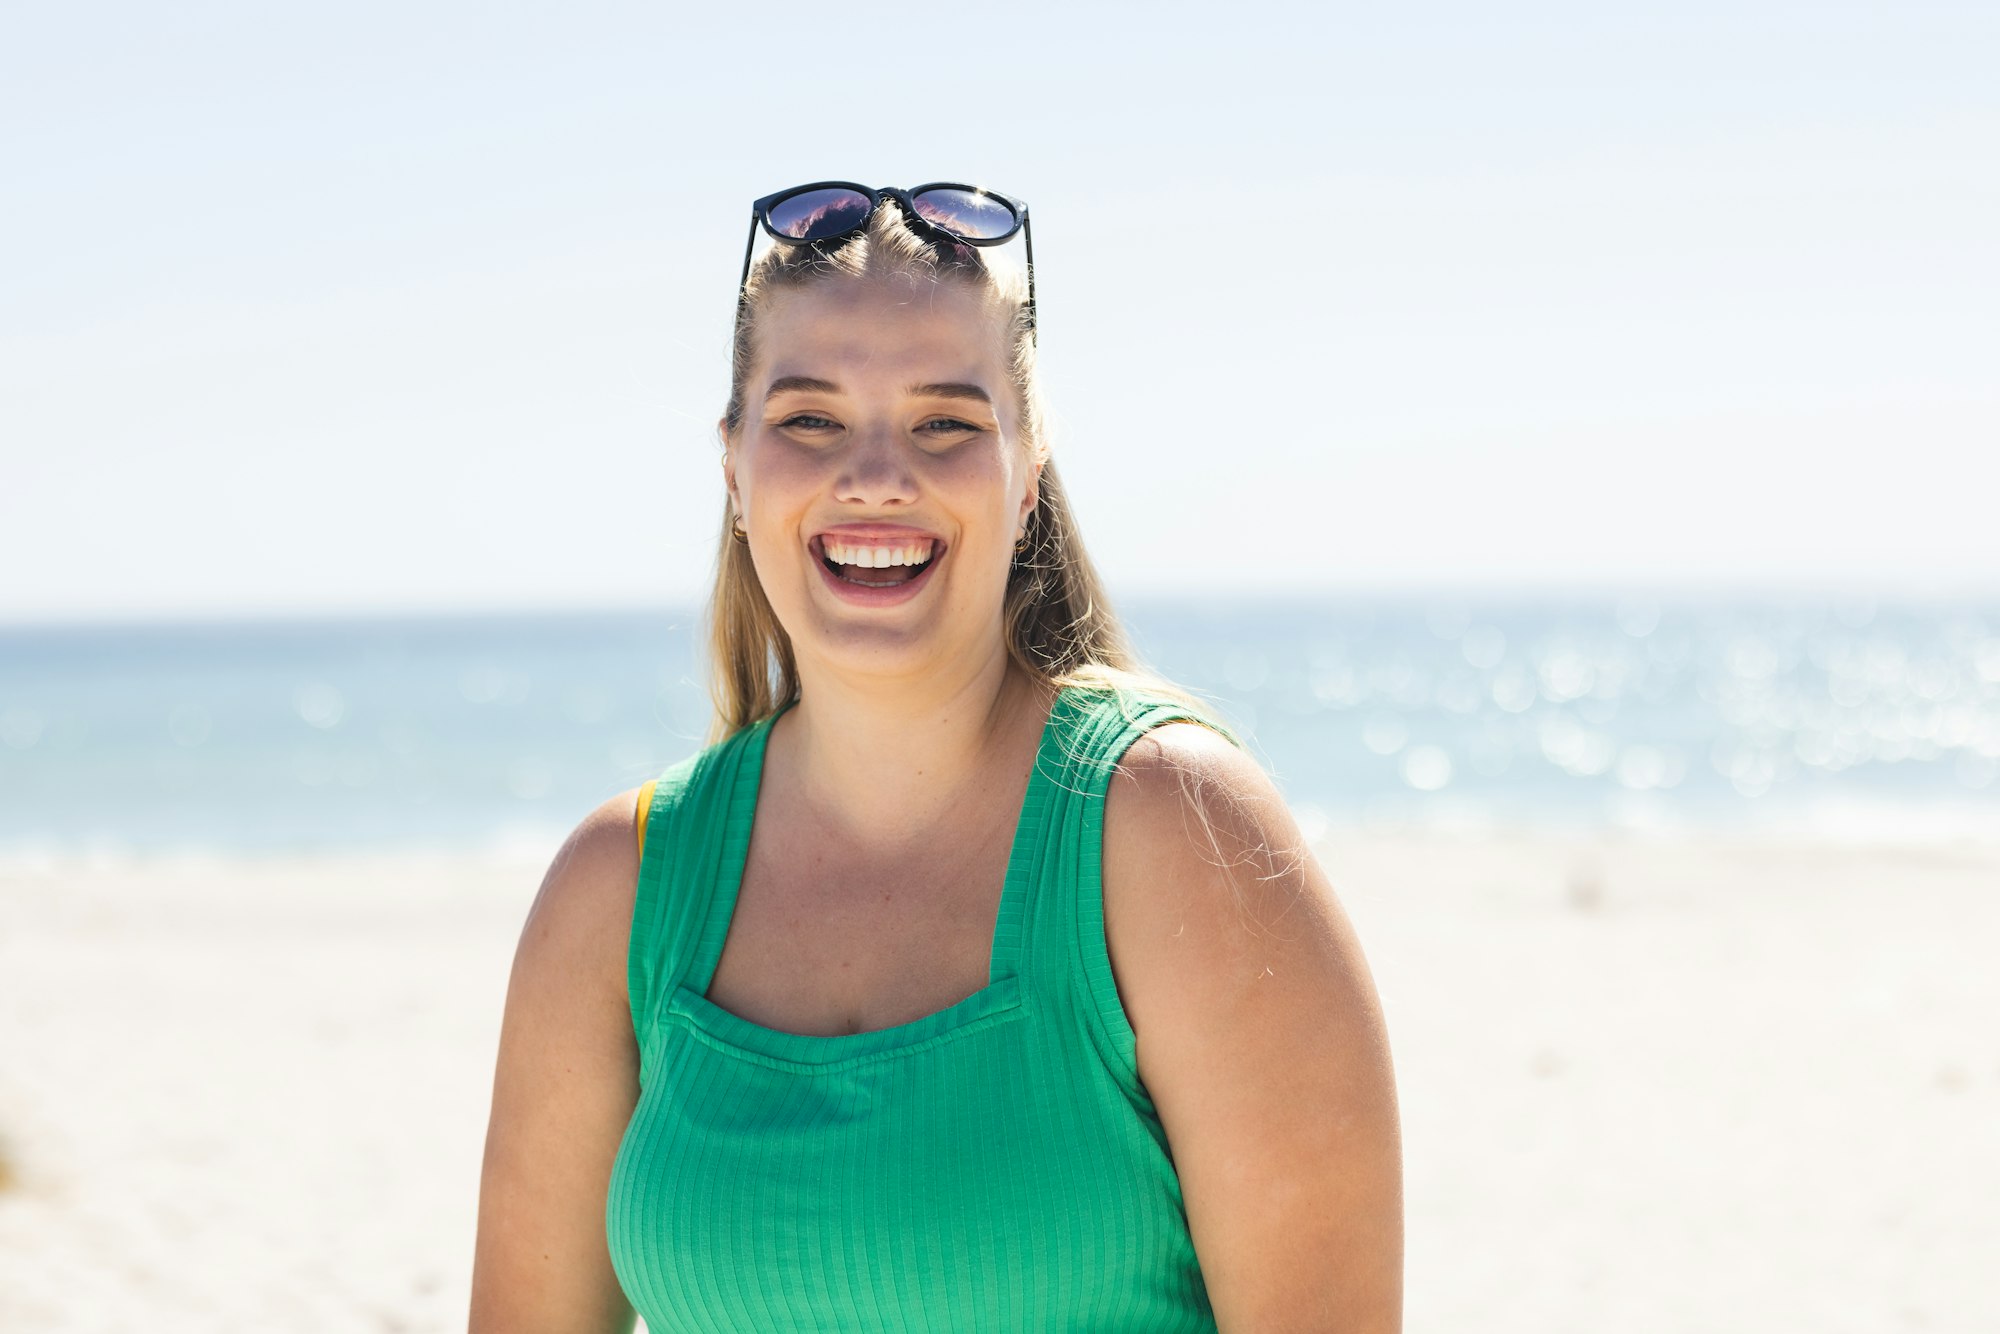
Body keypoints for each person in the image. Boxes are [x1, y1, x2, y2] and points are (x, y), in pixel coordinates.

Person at [470, 181, 1402, 1332]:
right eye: (808, 419)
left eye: (945, 423)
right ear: (732, 467)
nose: (873, 474)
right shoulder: (617, 889)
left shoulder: (1172, 830)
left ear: (1027, 475)